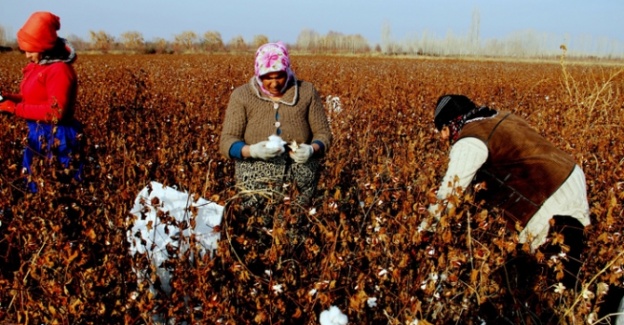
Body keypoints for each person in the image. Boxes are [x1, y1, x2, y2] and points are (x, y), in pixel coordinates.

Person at [427, 94, 624, 322]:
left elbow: (449, 192)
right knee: (565, 268)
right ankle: (609, 303)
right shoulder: (500, 117)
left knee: (558, 285)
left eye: (441, 130)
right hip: (568, 180)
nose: (442, 137)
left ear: (452, 123)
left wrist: (428, 230)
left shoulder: (469, 140)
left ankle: (615, 308)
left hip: (548, 198)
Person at [219, 41, 332, 209]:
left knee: (295, 225)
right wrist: (251, 151)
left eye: (279, 76)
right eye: (267, 78)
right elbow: (227, 142)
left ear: (287, 71)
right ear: (258, 75)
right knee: (257, 227)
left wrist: (311, 149)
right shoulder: (242, 96)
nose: (274, 83)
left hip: (299, 182)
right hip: (255, 181)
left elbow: (323, 134)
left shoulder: (306, 92)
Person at [0, 11, 84, 194]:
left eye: (30, 49)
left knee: (55, 190)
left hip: (59, 138)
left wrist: (14, 109)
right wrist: (9, 98)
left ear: (44, 46)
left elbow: (56, 112)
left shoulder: (59, 70)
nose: (27, 55)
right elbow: (34, 99)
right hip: (39, 135)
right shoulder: (40, 66)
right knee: (34, 186)